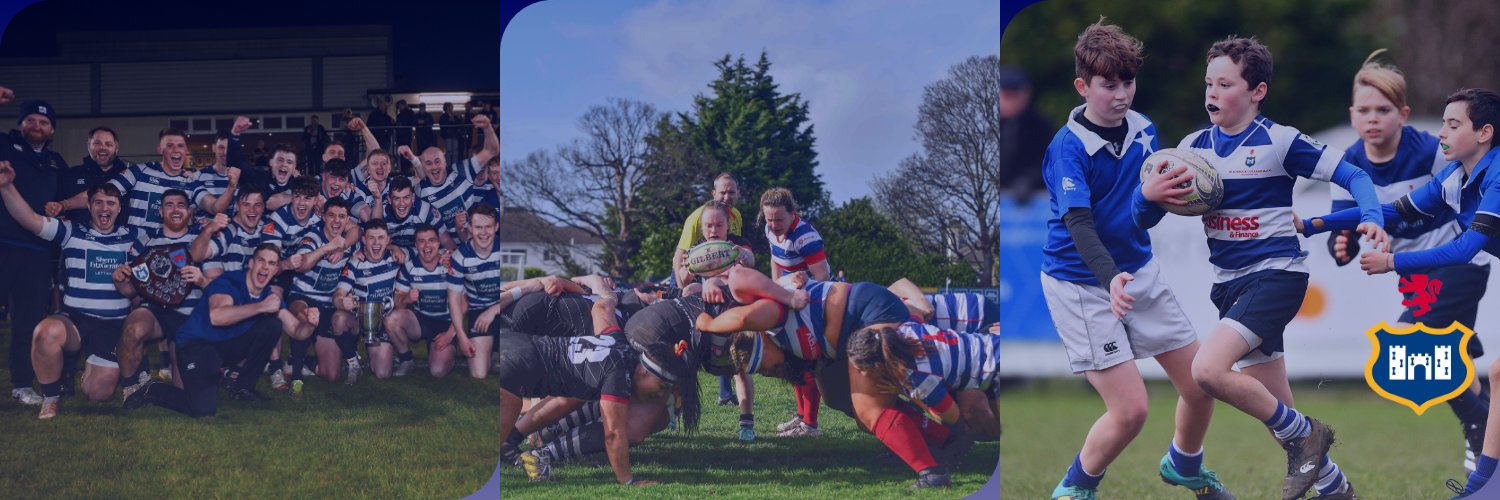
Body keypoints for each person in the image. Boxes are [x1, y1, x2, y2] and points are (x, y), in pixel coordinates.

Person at [1136, 36, 1392, 500]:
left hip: (1277, 275)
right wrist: (1146, 197)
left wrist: (1371, 217)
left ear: (1257, 92)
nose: (1212, 92)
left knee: (1207, 372)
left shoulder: (1280, 141)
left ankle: (1309, 434)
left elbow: (1356, 175)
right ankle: (1335, 488)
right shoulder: (1191, 150)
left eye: (1225, 83)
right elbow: (1144, 217)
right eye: (1208, 83)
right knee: (1275, 411)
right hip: (1228, 287)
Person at [1039, 21, 1233, 500]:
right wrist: (1110, 280)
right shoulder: (1068, 148)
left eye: (1128, 82)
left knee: (1201, 383)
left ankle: (1185, 465)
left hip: (1138, 272)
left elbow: (1145, 214)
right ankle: (1073, 489)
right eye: (1109, 85)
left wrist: (1158, 199)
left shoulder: (1146, 131)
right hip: (1081, 282)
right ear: (1083, 86)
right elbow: (1079, 226)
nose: (1121, 94)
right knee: (1130, 412)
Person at [1297, 89, 1500, 498]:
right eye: (1442, 122)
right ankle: (1485, 482)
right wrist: (1314, 224)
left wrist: (1392, 264)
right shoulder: (1456, 176)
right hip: (1442, 277)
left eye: (1453, 124)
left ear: (1484, 133)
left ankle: (1483, 474)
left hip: (1453, 273)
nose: (1441, 131)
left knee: (1412, 353)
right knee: (1494, 373)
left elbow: (1464, 250)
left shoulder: (1495, 174)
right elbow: (1393, 212)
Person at [695, 267, 957, 489]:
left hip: (868, 312)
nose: (766, 373)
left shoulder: (770, 316)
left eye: (762, 367)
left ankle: (933, 471)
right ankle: (945, 439)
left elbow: (740, 285)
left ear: (762, 344)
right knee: (846, 403)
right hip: (857, 325)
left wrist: (707, 324)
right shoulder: (786, 344)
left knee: (869, 409)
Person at [0, 167, 142, 418]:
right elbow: (30, 220)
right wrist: (6, 186)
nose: (104, 207)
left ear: (119, 209)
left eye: (111, 202)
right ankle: (51, 396)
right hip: (75, 320)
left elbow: (168, 239)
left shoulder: (132, 237)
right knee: (45, 332)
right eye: (98, 202)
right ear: (89, 206)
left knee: (98, 393)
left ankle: (88, 366)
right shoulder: (72, 232)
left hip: (112, 325)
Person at [124, 243, 319, 417]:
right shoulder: (228, 282)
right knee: (202, 409)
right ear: (251, 264)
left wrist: (309, 324)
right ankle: (152, 389)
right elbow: (216, 317)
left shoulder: (267, 294)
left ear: (276, 269)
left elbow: (295, 330)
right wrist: (261, 307)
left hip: (225, 346)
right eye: (261, 261)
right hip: (197, 346)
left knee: (273, 325)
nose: (265, 267)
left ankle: (242, 387)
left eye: (271, 263)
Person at [498, 276, 659, 486]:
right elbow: (613, 433)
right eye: (661, 386)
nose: (658, 394)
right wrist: (628, 481)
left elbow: (601, 308)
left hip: (516, 341)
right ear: (644, 372)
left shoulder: (618, 341)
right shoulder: (619, 376)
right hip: (519, 362)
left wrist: (609, 296)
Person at [0, 100, 67, 405]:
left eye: (43, 122)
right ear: (20, 123)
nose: (36, 126)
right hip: (3, 244)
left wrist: (60, 207)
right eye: (30, 120)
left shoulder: (55, 162)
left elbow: (65, 199)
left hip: (37, 252)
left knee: (27, 321)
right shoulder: (5, 144)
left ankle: (22, 385)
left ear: (51, 129)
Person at [117, 189, 207, 401]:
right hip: (155, 311)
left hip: (189, 315)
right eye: (169, 205)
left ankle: (153, 387)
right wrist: (119, 279)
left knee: (184, 392)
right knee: (133, 328)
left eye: (180, 205)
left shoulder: (201, 239)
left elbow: (215, 284)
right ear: (160, 211)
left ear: (190, 211)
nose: (175, 209)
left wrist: (200, 278)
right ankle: (130, 389)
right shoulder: (145, 241)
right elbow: (131, 288)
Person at [759, 187, 831, 438]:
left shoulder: (805, 237)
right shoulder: (770, 230)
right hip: (789, 299)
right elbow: (775, 261)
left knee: (807, 362)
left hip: (810, 304)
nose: (774, 224)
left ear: (792, 213)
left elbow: (823, 278)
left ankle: (811, 425)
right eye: (769, 219)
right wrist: (776, 289)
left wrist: (797, 285)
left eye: (779, 219)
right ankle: (801, 418)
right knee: (791, 361)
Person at [285, 199, 356, 386]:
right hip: (303, 296)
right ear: (323, 217)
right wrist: (327, 248)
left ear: (347, 220)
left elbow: (360, 232)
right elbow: (301, 265)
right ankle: (297, 378)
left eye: (342, 217)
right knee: (304, 315)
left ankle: (298, 360)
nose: (336, 221)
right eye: (331, 216)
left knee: (331, 374)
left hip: (327, 305)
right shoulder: (313, 237)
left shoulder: (347, 243)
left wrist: (344, 246)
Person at [388, 224, 461, 378]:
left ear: (439, 243)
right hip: (421, 321)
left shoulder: (451, 264)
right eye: (421, 241)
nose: (427, 245)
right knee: (391, 319)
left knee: (438, 371)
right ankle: (406, 360)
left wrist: (449, 334)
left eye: (431, 240)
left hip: (447, 322)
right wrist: (406, 298)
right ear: (416, 245)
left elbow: (465, 304)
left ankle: (449, 351)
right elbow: (397, 301)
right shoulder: (409, 267)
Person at [333, 219, 402, 379]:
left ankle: (377, 351)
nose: (376, 242)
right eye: (371, 238)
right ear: (363, 240)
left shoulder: (396, 258)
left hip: (384, 322)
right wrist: (343, 303)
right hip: (360, 320)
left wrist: (396, 248)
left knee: (382, 373)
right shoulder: (355, 263)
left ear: (388, 240)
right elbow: (337, 295)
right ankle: (352, 360)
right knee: (338, 319)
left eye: (380, 238)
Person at [413, 113, 498, 241]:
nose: (434, 167)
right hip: (443, 250)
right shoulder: (419, 191)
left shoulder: (461, 171)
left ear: (445, 161)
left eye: (437, 161)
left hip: (474, 244)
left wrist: (487, 127)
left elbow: (491, 150)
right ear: (423, 167)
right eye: (428, 163)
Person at [104, 128, 201, 233]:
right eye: (169, 145)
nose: (176, 150)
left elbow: (196, 216)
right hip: (137, 244)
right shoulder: (139, 171)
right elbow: (101, 193)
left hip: (172, 245)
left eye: (180, 145)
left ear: (186, 150)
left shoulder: (190, 181)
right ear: (160, 149)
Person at [447, 202, 502, 378]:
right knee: (478, 374)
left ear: (497, 227)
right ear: (470, 228)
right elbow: (454, 300)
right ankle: (493, 351)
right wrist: (461, 336)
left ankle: (499, 349)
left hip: (508, 306)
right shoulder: (459, 256)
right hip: (479, 312)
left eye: (488, 227)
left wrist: (494, 310)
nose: (484, 233)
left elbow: (519, 290)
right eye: (478, 227)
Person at [999, 65, 1054, 197]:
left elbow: (1048, 162)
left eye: (1014, 97)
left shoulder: (1040, 126)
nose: (1009, 103)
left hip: (1029, 199)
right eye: (1005, 97)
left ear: (1026, 95)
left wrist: (1029, 180)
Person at [53, 126, 128, 222]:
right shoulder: (70, 175)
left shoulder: (129, 177)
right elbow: (56, 210)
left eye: (108, 144)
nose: (102, 148)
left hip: (120, 236)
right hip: (78, 236)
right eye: (97, 143)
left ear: (116, 149)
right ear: (89, 146)